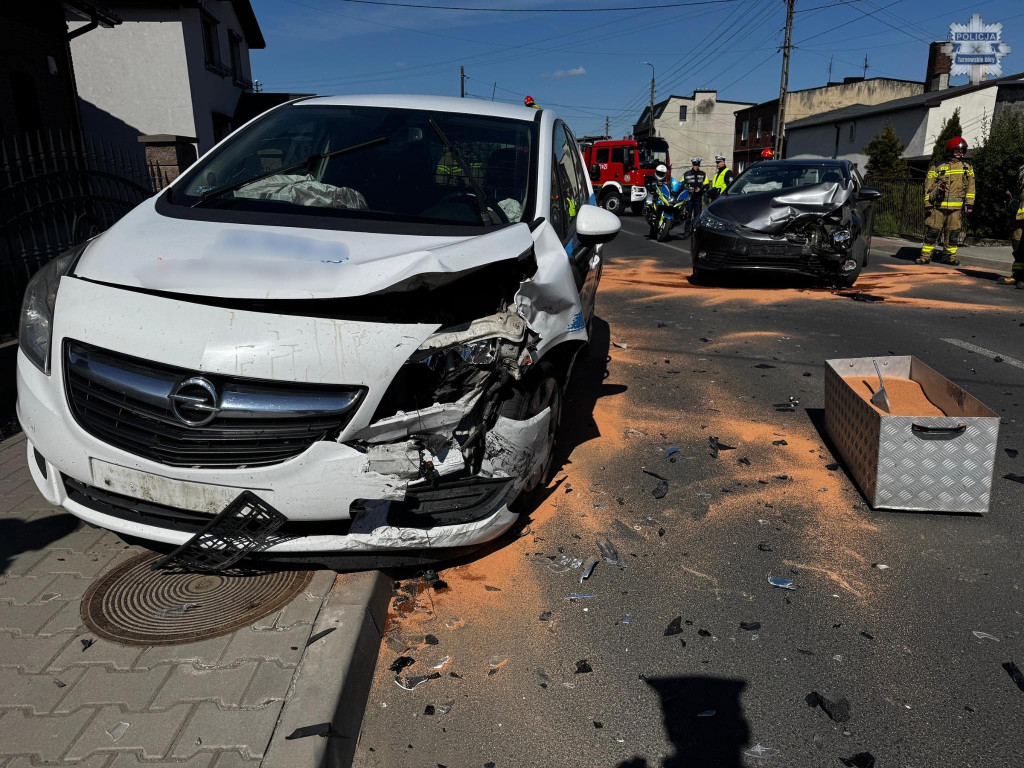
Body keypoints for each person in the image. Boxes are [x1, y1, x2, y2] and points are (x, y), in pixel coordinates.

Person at [918, 136, 975, 265]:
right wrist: (928, 204)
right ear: (950, 150)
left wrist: (969, 203)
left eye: (962, 150)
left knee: (953, 234)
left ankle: (949, 257)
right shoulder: (937, 166)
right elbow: (928, 187)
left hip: (956, 209)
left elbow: (971, 188)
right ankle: (925, 256)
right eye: (956, 150)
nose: (960, 152)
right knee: (933, 232)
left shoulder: (967, 168)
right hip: (938, 207)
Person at [999, 163, 1024, 288]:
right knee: (1018, 244)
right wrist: (1013, 202)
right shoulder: (1021, 168)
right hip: (1020, 215)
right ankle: (1018, 275)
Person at [681, 157, 706, 234]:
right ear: (692, 165)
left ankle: (694, 230)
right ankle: (687, 231)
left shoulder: (703, 174)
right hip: (689, 197)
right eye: (695, 165)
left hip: (698, 197)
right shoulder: (686, 174)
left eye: (698, 165)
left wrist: (701, 189)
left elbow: (707, 185)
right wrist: (688, 187)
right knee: (688, 215)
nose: (696, 166)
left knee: (697, 215)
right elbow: (681, 185)